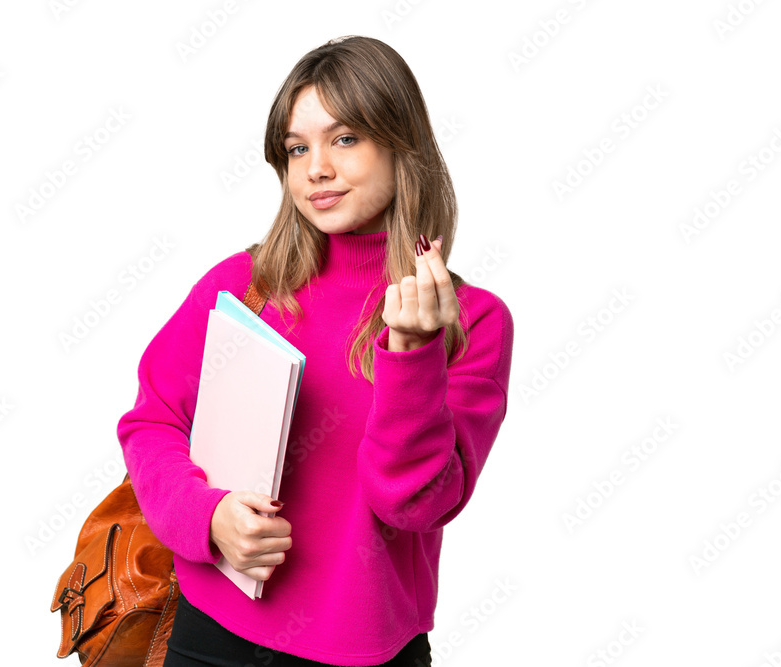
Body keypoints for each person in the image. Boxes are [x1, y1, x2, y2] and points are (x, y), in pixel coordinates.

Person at [117, 35, 514, 667]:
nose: (316, 169)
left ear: (402, 145)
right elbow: (152, 421)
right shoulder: (242, 285)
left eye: (345, 138)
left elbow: (413, 505)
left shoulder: (471, 322)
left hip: (365, 651)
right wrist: (207, 518)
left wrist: (412, 355)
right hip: (209, 633)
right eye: (297, 148)